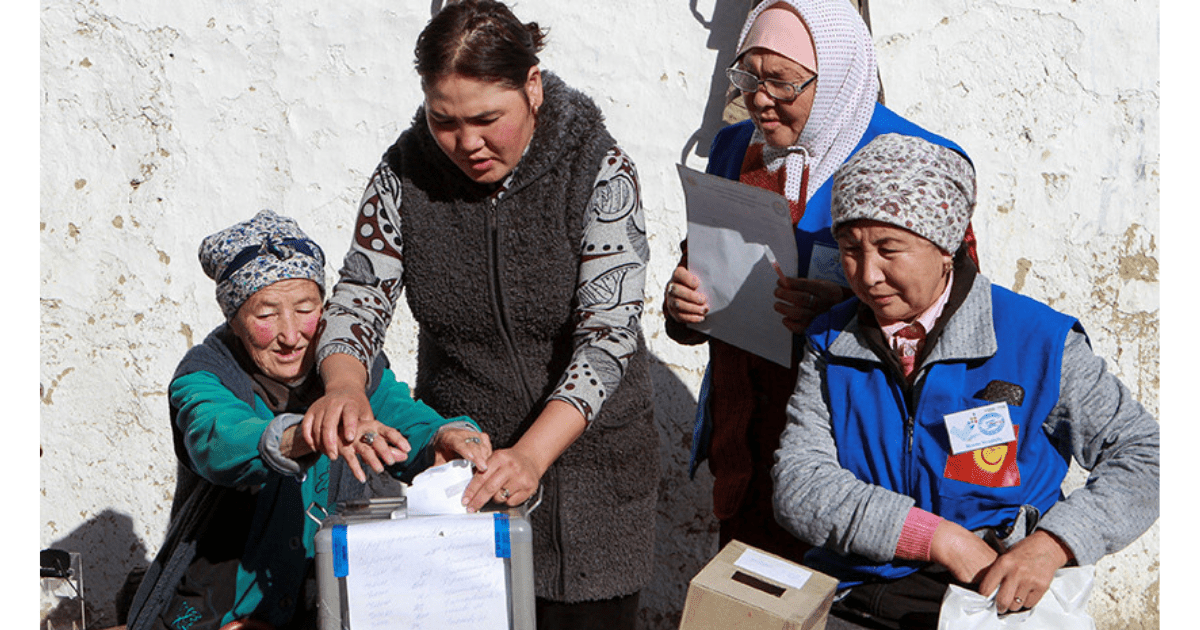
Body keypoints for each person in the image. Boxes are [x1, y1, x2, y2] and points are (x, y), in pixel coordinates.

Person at [300, 2, 658, 627]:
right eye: (445, 121)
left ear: (533, 87)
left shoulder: (599, 172)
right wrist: (344, 386)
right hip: (459, 476)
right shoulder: (403, 173)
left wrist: (532, 456)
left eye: (488, 119)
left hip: (593, 484)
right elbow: (361, 292)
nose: (467, 143)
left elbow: (607, 336)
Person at [772, 134, 1159, 629]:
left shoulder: (1037, 342)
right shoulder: (833, 341)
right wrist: (939, 539)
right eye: (850, 250)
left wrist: (1053, 545)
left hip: (990, 606)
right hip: (853, 595)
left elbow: (1147, 455)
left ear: (945, 246)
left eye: (890, 249)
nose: (867, 275)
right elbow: (800, 483)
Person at [662, 0, 976, 564]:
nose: (760, 98)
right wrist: (683, 304)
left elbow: (961, 308)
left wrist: (854, 310)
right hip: (750, 452)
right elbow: (703, 258)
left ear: (833, 76)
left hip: (855, 473)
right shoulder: (739, 148)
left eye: (782, 82)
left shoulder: (910, 159)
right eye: (749, 76)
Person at [128, 210, 491, 630]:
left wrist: (443, 436)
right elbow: (217, 439)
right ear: (234, 318)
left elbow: (400, 414)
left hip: (328, 604)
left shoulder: (350, 368)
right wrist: (306, 434)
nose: (290, 334)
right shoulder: (206, 374)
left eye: (305, 309)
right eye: (265, 315)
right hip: (222, 609)